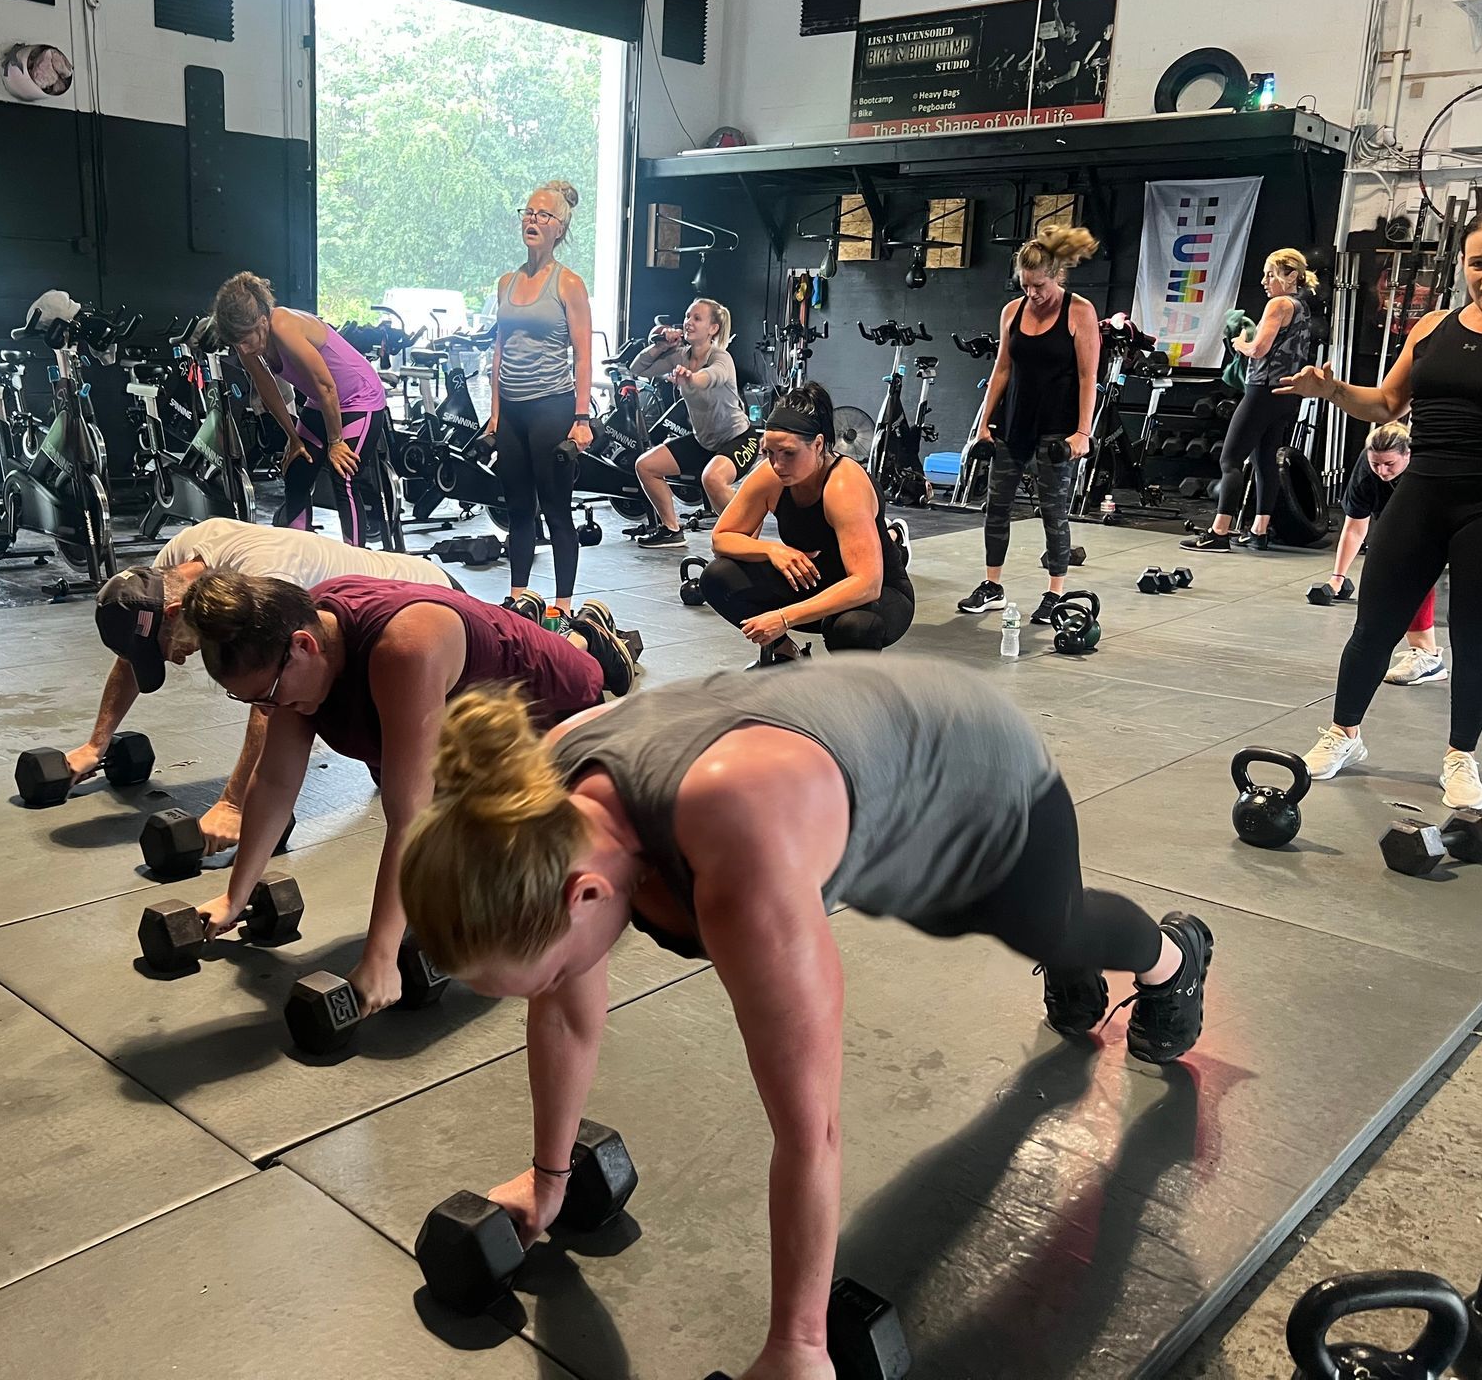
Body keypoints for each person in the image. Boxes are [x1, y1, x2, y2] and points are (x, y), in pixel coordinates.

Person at [397, 658, 1213, 1380]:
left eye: (552, 968)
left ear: (585, 896)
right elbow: (566, 1010)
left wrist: (798, 1345)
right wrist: (547, 1182)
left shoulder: (737, 845)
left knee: (1051, 927)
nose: (558, 985)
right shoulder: (539, 810)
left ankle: (1174, 956)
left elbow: (809, 1128)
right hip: (851, 760)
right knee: (949, 919)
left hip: (975, 770)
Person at [184, 570, 631, 1013]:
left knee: (506, 911)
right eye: (251, 701)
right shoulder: (296, 633)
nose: (267, 709)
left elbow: (410, 818)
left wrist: (381, 959)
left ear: (305, 646)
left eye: (268, 694)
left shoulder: (406, 649)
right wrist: (233, 898)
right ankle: (579, 639)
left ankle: (588, 643)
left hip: (553, 724)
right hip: (461, 733)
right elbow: (277, 781)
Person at [1286, 204, 1482, 810]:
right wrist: (1331, 390)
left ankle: (1460, 756)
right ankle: (1344, 733)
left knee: (1475, 636)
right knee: (1374, 624)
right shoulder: (1433, 326)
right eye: (1478, 263)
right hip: (1423, 491)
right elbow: (1387, 403)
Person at [78, 519, 456, 854]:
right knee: (385, 765)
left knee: (420, 793)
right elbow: (132, 651)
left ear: (176, 613)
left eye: (167, 649)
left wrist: (235, 805)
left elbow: (271, 699)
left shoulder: (264, 580)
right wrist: (97, 744)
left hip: (426, 606)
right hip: (354, 633)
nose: (176, 660)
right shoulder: (170, 570)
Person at [700, 383, 912, 668]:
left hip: (878, 593)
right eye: (769, 453)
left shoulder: (843, 484)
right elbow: (722, 538)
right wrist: (772, 551)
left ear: (819, 444)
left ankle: (859, 695)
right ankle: (785, 654)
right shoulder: (771, 476)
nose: (777, 464)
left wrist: (785, 617)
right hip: (813, 580)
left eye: (788, 453)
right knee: (718, 576)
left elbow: (867, 584)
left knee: (852, 625)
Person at [957, 224, 1101, 626]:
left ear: (1056, 275)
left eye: (1039, 285)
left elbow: (1089, 377)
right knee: (996, 508)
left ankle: (1055, 592)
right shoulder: (1012, 312)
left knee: (1053, 513)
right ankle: (992, 586)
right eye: (1025, 285)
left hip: (1057, 429)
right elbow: (1002, 369)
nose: (1032, 293)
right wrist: (983, 423)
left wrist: (1083, 434)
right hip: (1013, 424)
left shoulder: (1080, 311)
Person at [214, 271, 392, 546]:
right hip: (322, 402)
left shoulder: (284, 325)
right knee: (297, 469)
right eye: (238, 343)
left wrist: (336, 442)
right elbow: (268, 390)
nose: (244, 349)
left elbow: (327, 386)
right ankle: (300, 553)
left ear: (263, 321)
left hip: (359, 397)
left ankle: (355, 562)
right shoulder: (245, 343)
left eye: (247, 340)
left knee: (343, 473)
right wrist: (293, 439)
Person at [488, 180, 594, 616]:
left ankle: (561, 606)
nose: (533, 220)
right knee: (516, 508)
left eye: (543, 215)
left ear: (560, 229)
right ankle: (518, 600)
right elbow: (499, 349)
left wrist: (582, 418)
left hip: (552, 407)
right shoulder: (506, 282)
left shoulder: (568, 284)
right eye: (528, 213)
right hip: (512, 412)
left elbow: (584, 356)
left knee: (555, 509)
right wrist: (494, 417)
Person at [1184, 248, 1319, 553]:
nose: (1264, 281)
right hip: (1286, 394)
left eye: (1271, 274)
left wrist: (1240, 343)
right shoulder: (1302, 307)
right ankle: (1259, 530)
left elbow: (1258, 349)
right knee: (1264, 459)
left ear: (1291, 276)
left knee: (1230, 459)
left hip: (1261, 390)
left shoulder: (1279, 304)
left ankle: (1219, 532)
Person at [628, 298, 759, 547]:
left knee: (712, 479)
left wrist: (691, 377)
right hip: (704, 441)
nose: (689, 322)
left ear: (713, 329)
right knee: (646, 466)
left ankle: (747, 535)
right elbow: (638, 369)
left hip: (739, 439)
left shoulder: (722, 357)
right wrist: (659, 347)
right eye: (688, 316)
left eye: (697, 318)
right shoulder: (679, 355)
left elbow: (711, 377)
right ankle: (672, 529)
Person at [1322, 423, 1446, 686]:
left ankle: (1428, 656)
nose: (1381, 471)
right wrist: (1338, 576)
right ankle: (1427, 656)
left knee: (1415, 568)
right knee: (1403, 569)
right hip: (1404, 521)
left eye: (1389, 464)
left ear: (1408, 455)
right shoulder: (1367, 471)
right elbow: (1355, 527)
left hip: (1452, 516)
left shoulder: (1428, 466)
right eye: (1376, 463)